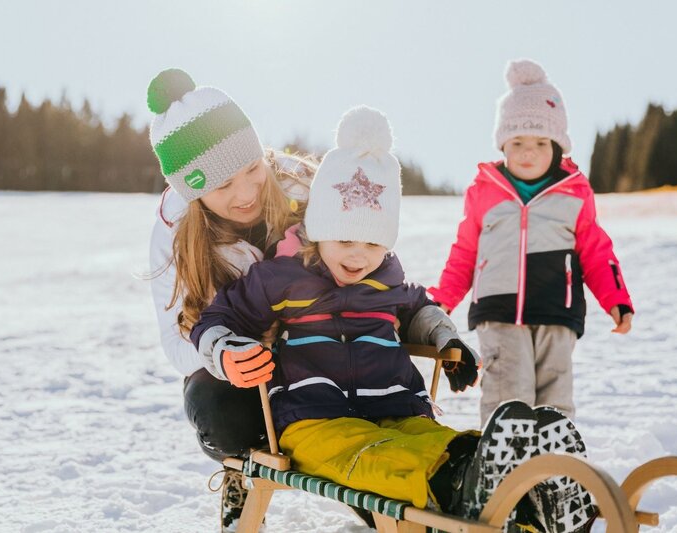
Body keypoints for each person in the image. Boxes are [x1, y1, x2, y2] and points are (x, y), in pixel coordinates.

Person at [191, 106, 594, 532]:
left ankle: (525, 482)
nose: (357, 255)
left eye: (373, 242)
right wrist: (227, 350)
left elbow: (418, 307)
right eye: (344, 239)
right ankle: (463, 483)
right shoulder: (281, 277)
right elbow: (218, 318)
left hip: (398, 406)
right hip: (315, 419)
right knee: (373, 455)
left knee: (432, 440)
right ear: (320, 229)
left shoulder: (388, 277)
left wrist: (446, 341)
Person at [146, 68, 313, 530]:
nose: (245, 194)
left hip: (321, 348)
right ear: (193, 190)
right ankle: (242, 465)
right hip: (240, 368)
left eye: (252, 169)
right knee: (218, 409)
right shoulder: (174, 235)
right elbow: (177, 342)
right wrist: (224, 358)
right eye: (221, 186)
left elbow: (368, 255)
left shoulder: (303, 188)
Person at [429, 59, 635, 427]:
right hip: (498, 310)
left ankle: (552, 471)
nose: (528, 152)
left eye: (541, 142)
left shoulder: (574, 193)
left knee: (554, 397)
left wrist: (616, 299)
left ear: (558, 146)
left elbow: (596, 251)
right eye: (518, 142)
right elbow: (464, 252)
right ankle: (504, 471)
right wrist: (443, 299)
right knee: (509, 391)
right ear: (503, 144)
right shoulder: (485, 192)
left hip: (558, 310)